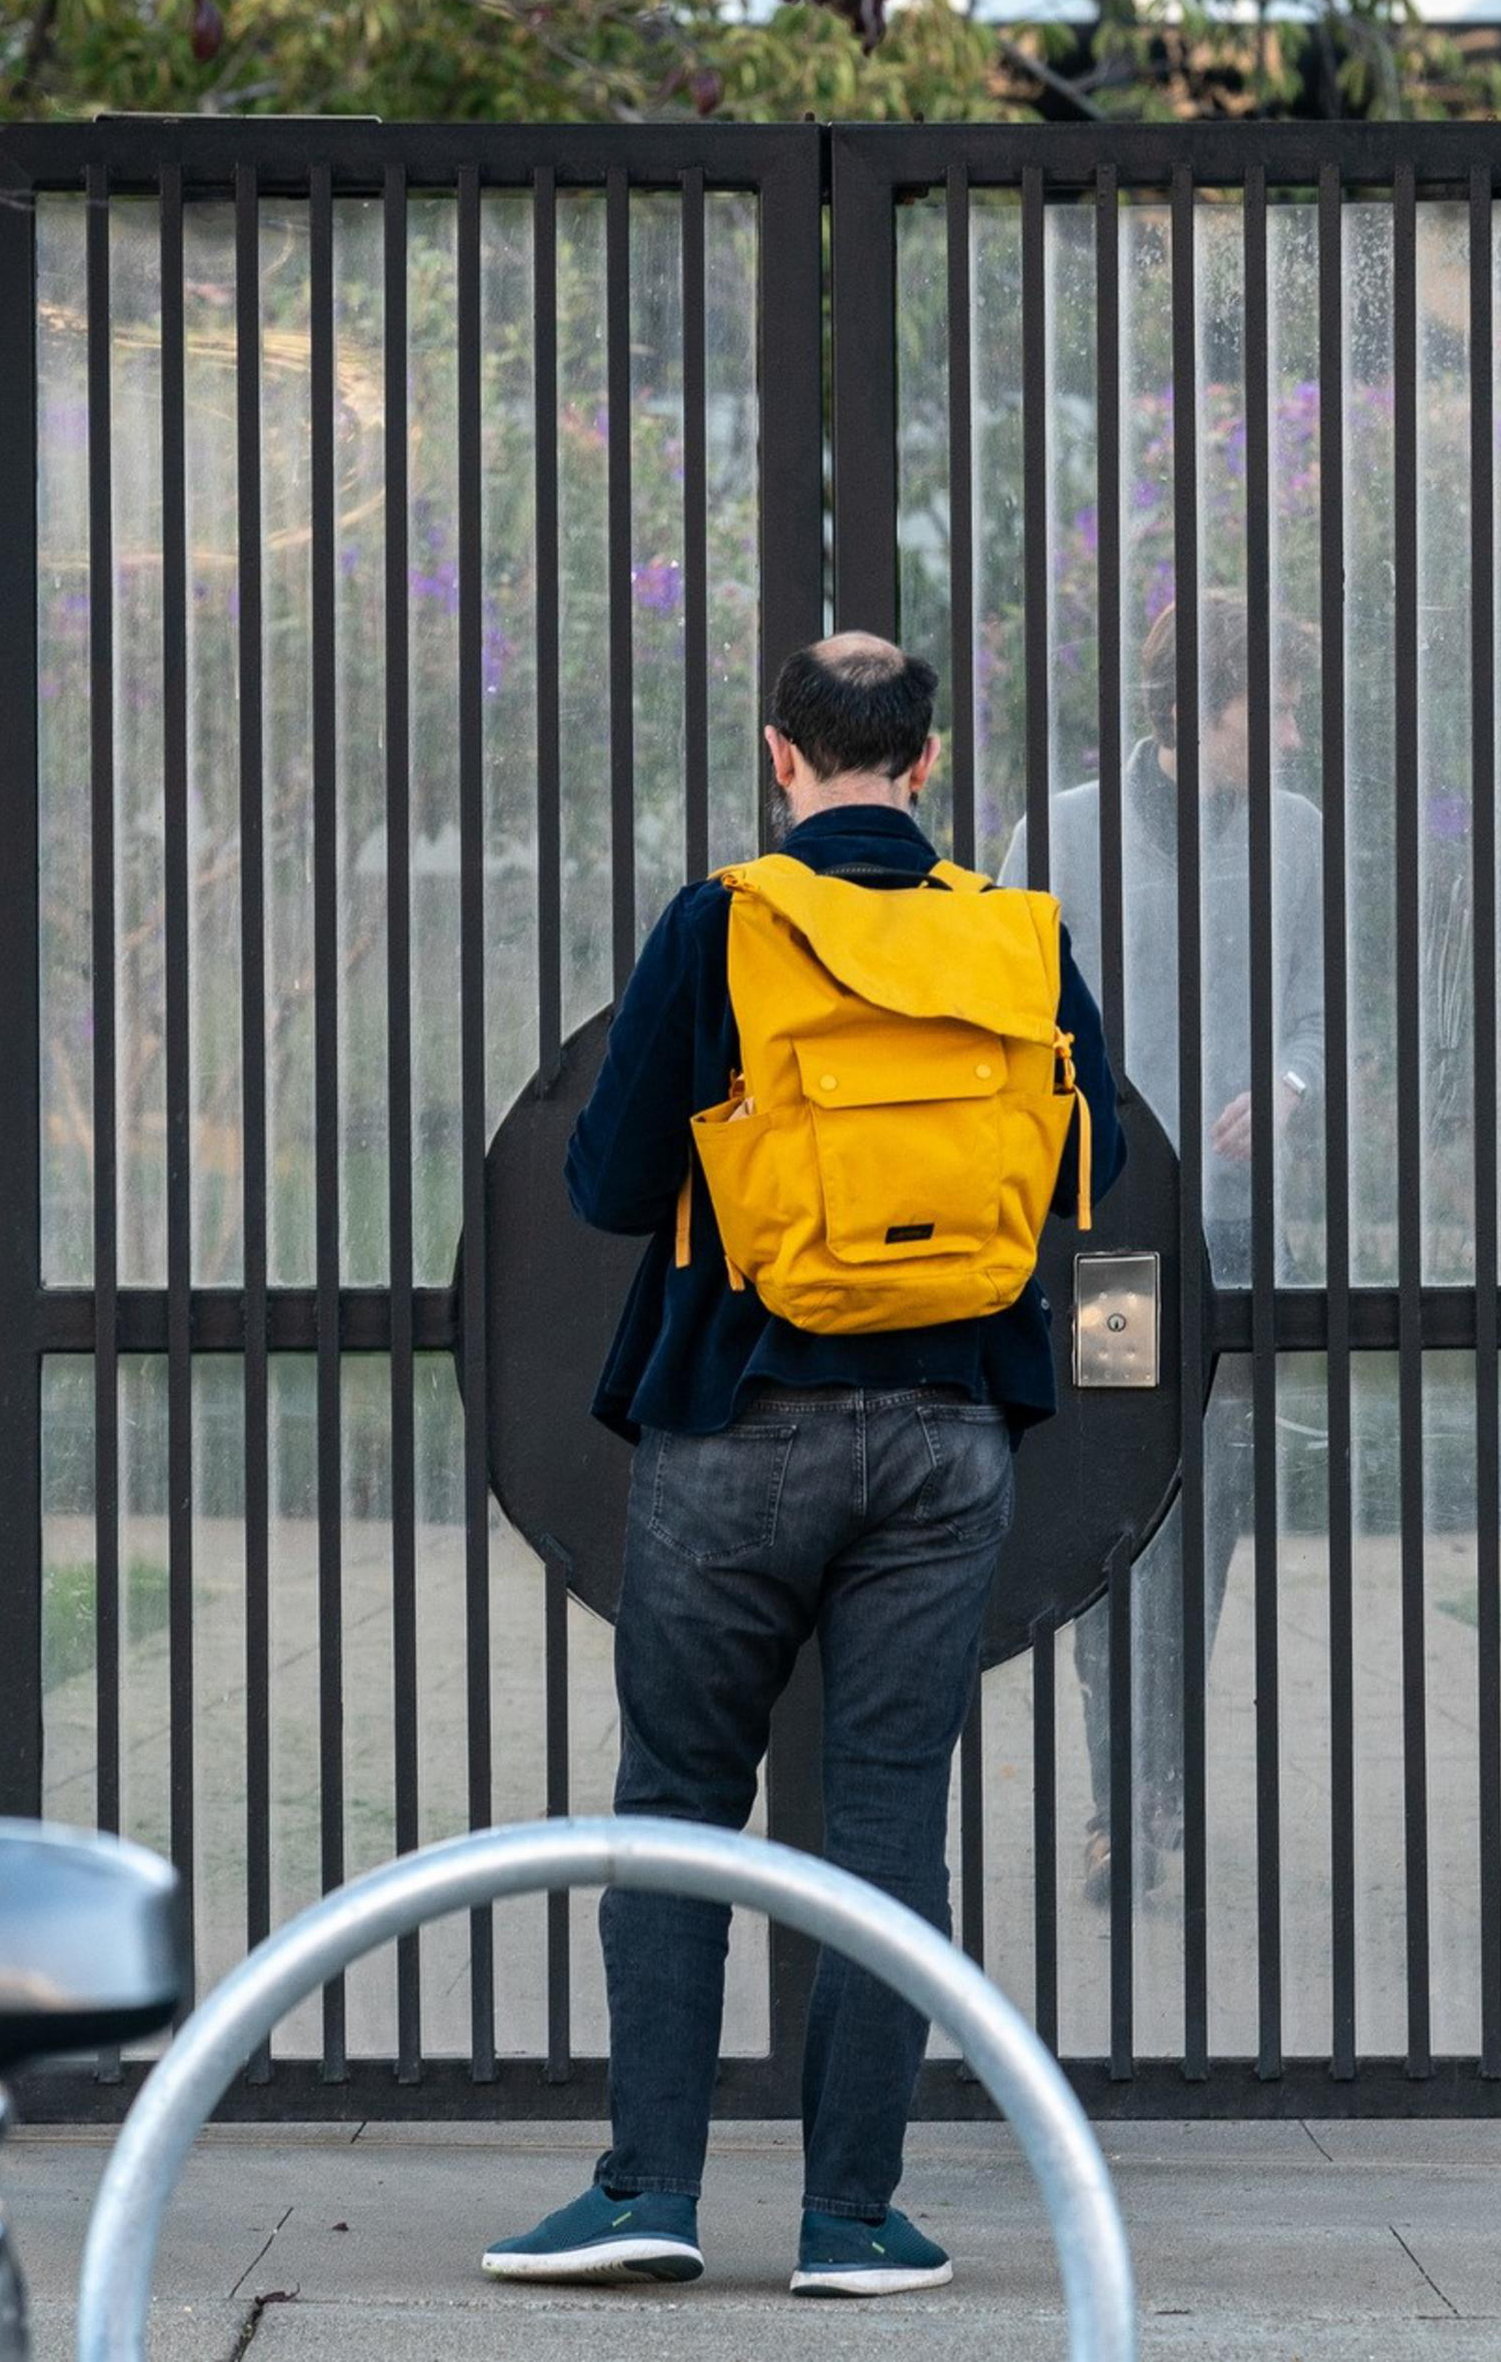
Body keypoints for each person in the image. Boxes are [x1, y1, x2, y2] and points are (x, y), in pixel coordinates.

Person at [483, 633, 1122, 2300]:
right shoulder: (1013, 932)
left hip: (737, 1423)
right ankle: (852, 2218)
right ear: (925, 765)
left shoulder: (723, 922)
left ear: (782, 759)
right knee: (890, 1818)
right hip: (949, 1431)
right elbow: (1094, 1159)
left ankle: (647, 2195)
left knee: (682, 1807)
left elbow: (612, 1184)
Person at [999, 594, 1325, 1896]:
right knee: (1113, 1512)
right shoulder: (1057, 838)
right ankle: (1115, 1806)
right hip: (1108, 1249)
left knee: (1217, 1514)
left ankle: (1160, 1785)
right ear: (1196, 712)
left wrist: (1294, 1084)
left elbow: (1317, 1011)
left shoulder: (1295, 839)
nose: (1294, 734)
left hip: (1241, 1239)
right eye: (1276, 710)